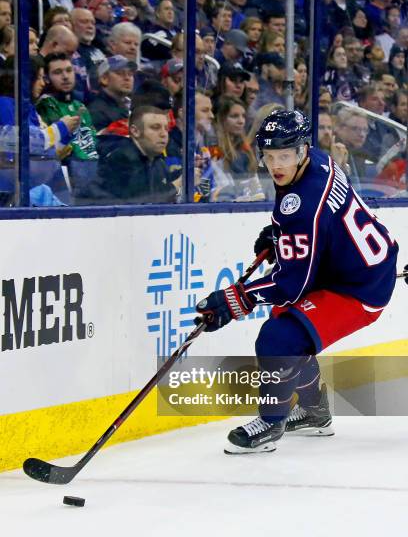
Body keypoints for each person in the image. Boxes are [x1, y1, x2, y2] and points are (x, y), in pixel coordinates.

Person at [195, 110, 398, 454]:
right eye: (269, 156)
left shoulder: (303, 205)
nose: (276, 165)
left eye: (284, 156)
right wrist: (280, 234)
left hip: (359, 287)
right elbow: (314, 222)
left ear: (302, 150)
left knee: (278, 339)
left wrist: (235, 299)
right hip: (353, 264)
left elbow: (291, 285)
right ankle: (315, 412)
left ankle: (271, 422)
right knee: (287, 327)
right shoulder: (317, 161)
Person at [97, 105, 179, 203]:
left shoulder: (156, 160)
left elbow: (160, 184)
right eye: (155, 128)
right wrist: (179, 184)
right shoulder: (122, 159)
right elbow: (143, 200)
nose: (164, 134)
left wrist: (188, 171)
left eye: (166, 129)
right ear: (135, 131)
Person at [88, 55, 136, 132]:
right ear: (104, 79)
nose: (127, 78)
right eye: (120, 73)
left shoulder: (131, 105)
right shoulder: (97, 112)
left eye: (130, 74)